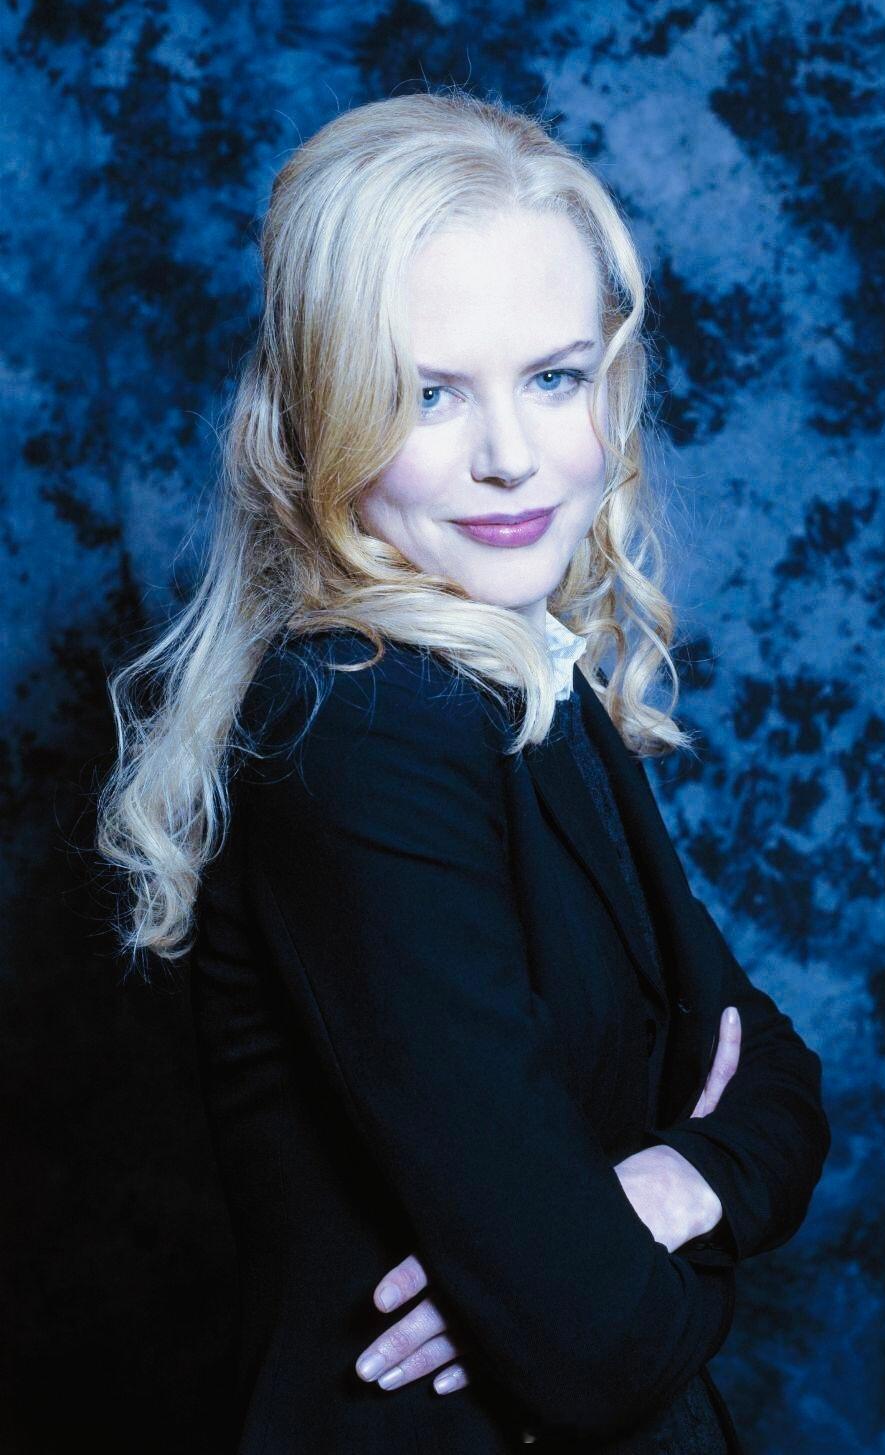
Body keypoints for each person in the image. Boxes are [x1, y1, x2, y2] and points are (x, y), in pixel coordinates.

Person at [95, 88, 831, 1452]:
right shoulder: (364, 721)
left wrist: (668, 1188)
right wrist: (591, 1266)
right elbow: (595, 1345)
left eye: (554, 378)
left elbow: (771, 1067)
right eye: (425, 395)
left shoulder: (517, 668)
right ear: (318, 419)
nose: (509, 460)